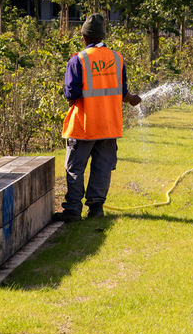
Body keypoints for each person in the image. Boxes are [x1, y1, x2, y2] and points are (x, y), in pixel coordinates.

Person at [52, 13, 141, 222]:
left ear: (84, 37)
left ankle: (73, 210)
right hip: (109, 125)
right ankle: (96, 209)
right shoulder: (117, 58)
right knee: (102, 168)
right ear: (103, 36)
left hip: (84, 126)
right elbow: (121, 91)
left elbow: (71, 93)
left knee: (75, 168)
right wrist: (131, 98)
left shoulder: (78, 59)